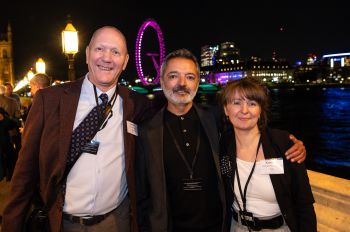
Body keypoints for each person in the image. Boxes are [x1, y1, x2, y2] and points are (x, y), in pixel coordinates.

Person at [136, 49, 306, 232]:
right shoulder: (146, 130)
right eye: (173, 76)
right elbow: (141, 193)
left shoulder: (215, 119)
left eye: (190, 77)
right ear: (162, 81)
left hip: (219, 226)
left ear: (197, 83)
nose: (182, 83)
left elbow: (249, 127)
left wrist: (290, 142)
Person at [2, 26, 150, 232]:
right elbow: (25, 172)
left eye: (115, 52)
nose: (107, 58)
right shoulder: (49, 100)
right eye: (100, 49)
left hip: (116, 221)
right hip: (61, 222)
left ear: (125, 61)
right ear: (88, 54)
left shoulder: (137, 104)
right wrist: (11, 224)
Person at [220, 78, 316, 231]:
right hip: (235, 227)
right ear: (226, 109)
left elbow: (303, 202)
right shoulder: (222, 145)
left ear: (260, 110)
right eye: (236, 103)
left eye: (252, 103)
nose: (244, 110)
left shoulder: (283, 144)